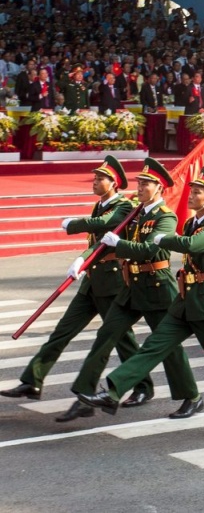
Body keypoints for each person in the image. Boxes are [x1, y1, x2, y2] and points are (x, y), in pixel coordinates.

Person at [78, 166, 204, 438]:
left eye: (198, 192)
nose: (191, 196)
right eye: (191, 191)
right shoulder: (194, 222)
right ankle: (112, 392)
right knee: (153, 347)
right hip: (185, 300)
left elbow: (193, 245)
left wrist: (164, 238)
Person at [0, 157, 154, 421]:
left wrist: (72, 224)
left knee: (118, 339)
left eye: (99, 179)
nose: (94, 182)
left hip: (112, 283)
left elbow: (104, 225)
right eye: (94, 178)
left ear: (113, 183)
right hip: (92, 282)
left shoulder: (124, 207)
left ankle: (142, 386)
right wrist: (83, 259)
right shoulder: (100, 205)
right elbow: (96, 240)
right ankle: (32, 380)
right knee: (62, 331)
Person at [66, 158, 201, 422]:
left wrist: (120, 244)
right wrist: (86, 258)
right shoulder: (133, 213)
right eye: (139, 182)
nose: (139, 187)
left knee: (167, 346)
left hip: (156, 286)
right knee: (106, 333)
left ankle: (192, 397)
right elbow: (108, 241)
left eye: (146, 184)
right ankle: (85, 394)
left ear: (159, 188)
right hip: (131, 286)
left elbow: (149, 249)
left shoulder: (166, 216)